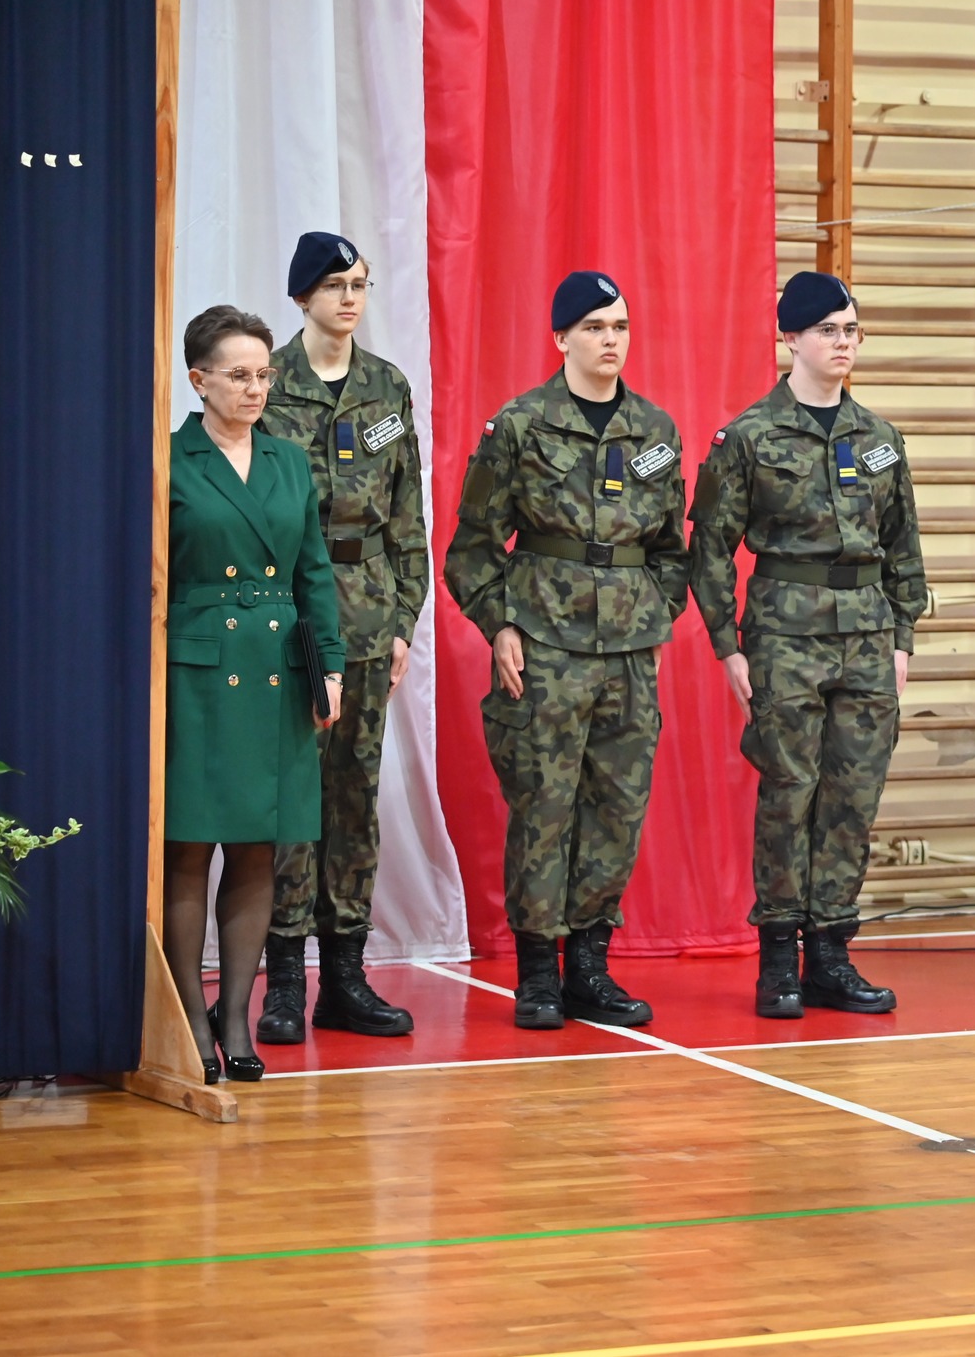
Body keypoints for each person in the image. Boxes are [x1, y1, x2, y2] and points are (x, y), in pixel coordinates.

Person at [444, 271, 687, 1030]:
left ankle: (589, 965)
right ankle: (537, 973)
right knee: (543, 808)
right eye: (593, 327)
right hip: (545, 645)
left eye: (619, 326)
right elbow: (470, 550)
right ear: (560, 338)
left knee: (618, 808)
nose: (610, 339)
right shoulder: (520, 427)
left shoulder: (655, 431)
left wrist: (656, 614)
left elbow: (673, 548)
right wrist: (501, 624)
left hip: (629, 653)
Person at [689, 272, 925, 1019]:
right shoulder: (748, 437)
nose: (842, 343)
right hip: (784, 635)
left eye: (851, 330)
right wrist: (728, 645)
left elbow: (904, 546)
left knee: (853, 798)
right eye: (827, 330)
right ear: (790, 338)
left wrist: (903, 636)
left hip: (868, 636)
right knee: (789, 795)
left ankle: (830, 955)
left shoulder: (880, 439)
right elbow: (709, 547)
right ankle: (777, 960)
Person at [164, 305, 346, 1083]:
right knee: (187, 848)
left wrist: (329, 666)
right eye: (238, 375)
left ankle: (235, 1015)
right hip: (197, 673)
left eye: (264, 374)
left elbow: (314, 573)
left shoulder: (288, 462)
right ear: (198, 379)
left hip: (276, 669)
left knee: (256, 846)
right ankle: (185, 1019)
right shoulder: (169, 458)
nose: (255, 388)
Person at [256, 232, 428, 1045]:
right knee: (294, 796)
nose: (350, 298)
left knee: (354, 799)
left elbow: (407, 517)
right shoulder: (268, 382)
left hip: (366, 617)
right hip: (290, 616)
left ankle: (346, 978)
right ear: (302, 297)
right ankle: (284, 979)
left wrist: (402, 621)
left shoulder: (386, 388)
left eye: (359, 284)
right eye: (334, 285)